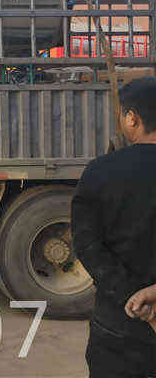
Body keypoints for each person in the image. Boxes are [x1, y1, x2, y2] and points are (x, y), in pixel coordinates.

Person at [71, 76, 156, 378]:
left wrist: (133, 297)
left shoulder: (101, 171)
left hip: (118, 328)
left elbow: (87, 245)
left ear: (132, 118)